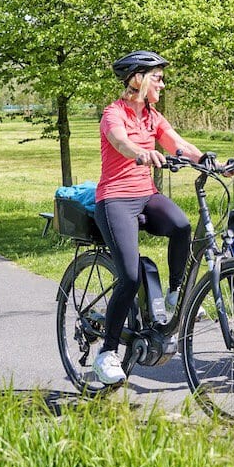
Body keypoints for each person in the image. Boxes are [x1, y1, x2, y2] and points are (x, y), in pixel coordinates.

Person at [90, 50, 206, 386]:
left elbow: (176, 143)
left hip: (146, 196)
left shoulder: (153, 116)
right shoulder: (114, 113)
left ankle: (174, 293)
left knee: (182, 226)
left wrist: (209, 160)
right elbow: (119, 141)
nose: (162, 83)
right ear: (137, 79)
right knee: (129, 275)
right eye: (157, 77)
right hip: (115, 200)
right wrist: (141, 153)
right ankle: (107, 353)